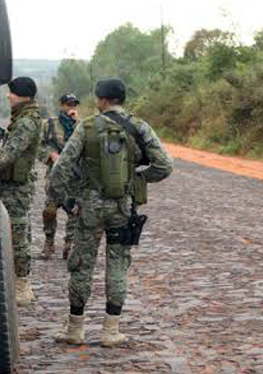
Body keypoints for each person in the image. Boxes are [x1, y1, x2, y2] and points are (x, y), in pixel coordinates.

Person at [47, 78, 173, 347]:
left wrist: (67, 200)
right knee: (118, 263)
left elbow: (60, 169)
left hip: (90, 207)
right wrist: (137, 179)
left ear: (102, 100)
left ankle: (75, 329)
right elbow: (164, 165)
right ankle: (110, 331)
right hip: (122, 207)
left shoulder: (87, 126)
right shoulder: (139, 126)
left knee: (82, 264)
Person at [0, 76, 44, 305]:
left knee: (18, 234)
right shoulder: (25, 117)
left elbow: (8, 155)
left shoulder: (26, 122)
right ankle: (19, 283)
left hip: (16, 188)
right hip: (14, 186)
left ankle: (22, 287)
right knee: (19, 231)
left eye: (12, 92)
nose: (9, 96)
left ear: (23, 95)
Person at [41, 93, 81, 260]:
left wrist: (77, 122)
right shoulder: (50, 124)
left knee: (74, 211)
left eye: (73, 104)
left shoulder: (82, 126)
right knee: (49, 210)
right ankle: (49, 241)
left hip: (75, 174)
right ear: (61, 105)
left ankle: (69, 244)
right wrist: (50, 154)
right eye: (68, 104)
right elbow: (39, 145)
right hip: (55, 174)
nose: (71, 107)